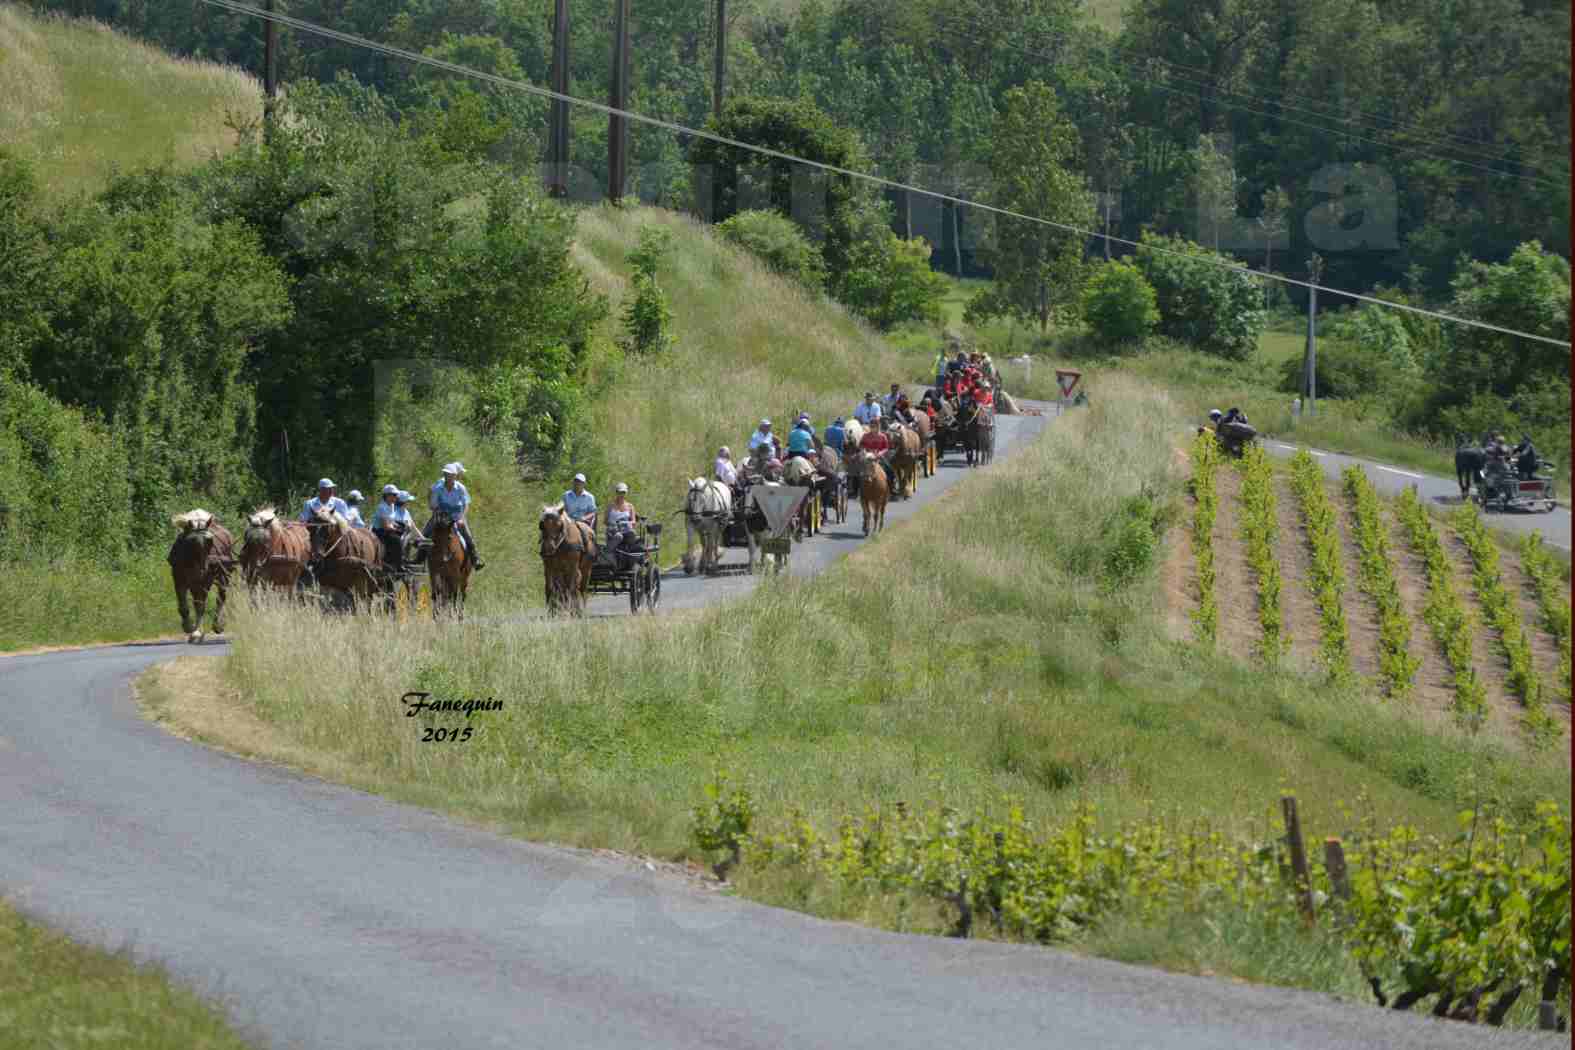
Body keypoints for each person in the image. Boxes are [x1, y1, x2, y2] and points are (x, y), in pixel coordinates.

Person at [427, 463, 485, 570]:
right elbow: (433, 505)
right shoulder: (438, 489)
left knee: (467, 535)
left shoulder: (461, 488)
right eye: (446, 474)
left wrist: (462, 517)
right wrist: (438, 513)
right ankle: (419, 558)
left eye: (450, 475)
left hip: (457, 517)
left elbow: (466, 504)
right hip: (442, 516)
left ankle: (475, 558)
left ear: (455, 476)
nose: (447, 477)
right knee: (427, 531)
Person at [859, 416, 896, 490]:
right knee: (857, 469)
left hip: (879, 456)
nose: (873, 428)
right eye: (871, 426)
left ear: (878, 427)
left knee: (890, 470)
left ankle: (892, 488)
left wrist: (880, 453)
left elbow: (886, 447)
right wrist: (864, 451)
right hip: (867, 456)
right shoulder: (865, 436)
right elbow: (861, 445)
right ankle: (855, 490)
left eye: (875, 426)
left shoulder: (882, 436)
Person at [605, 482, 639, 552]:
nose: (621, 495)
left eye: (623, 493)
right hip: (613, 530)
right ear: (616, 493)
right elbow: (605, 521)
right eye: (620, 492)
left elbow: (634, 522)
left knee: (632, 534)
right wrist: (613, 524)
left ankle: (630, 555)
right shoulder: (610, 506)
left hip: (626, 529)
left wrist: (625, 523)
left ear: (626, 493)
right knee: (618, 536)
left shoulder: (630, 506)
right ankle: (607, 552)